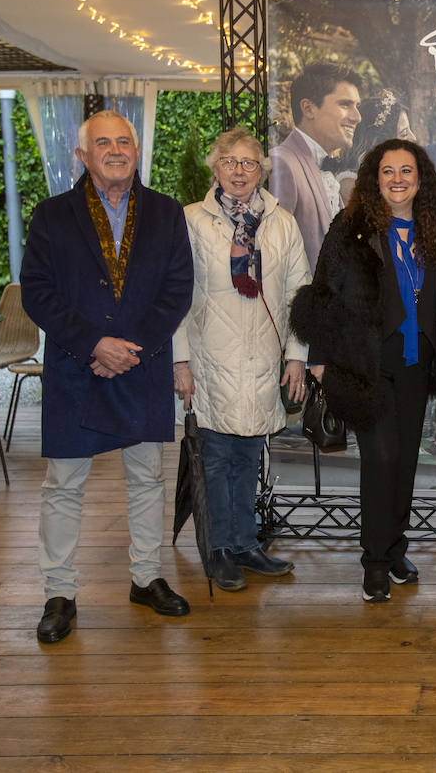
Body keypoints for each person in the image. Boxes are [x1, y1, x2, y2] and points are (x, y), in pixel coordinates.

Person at [21, 109, 194, 644]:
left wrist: (129, 349)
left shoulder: (167, 214)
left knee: (148, 478)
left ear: (137, 151)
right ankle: (60, 591)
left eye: (124, 141)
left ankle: (146, 578)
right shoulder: (51, 216)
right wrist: (94, 344)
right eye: (103, 143)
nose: (115, 150)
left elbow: (177, 290)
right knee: (64, 485)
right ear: (83, 155)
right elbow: (37, 292)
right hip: (77, 366)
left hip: (140, 366)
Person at [293, 139, 436, 602]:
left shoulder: (435, 228)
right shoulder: (350, 227)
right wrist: (319, 360)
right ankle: (373, 561)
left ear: (420, 179)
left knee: (406, 459)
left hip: (417, 361)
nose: (397, 179)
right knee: (381, 458)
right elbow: (324, 292)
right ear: (374, 178)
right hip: (367, 362)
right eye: (387, 171)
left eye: (406, 171)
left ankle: (394, 549)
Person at [171, 127, 311, 593]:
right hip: (210, 358)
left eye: (248, 163)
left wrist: (297, 356)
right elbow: (176, 297)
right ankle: (218, 551)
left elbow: (298, 295)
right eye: (229, 161)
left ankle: (246, 544)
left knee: (249, 456)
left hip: (262, 360)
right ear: (215, 167)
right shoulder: (190, 221)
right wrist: (180, 361)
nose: (239, 171)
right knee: (214, 459)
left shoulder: (281, 222)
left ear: (261, 171)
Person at [270, 62, 363, 260]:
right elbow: (274, 258)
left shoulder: (324, 163)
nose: (357, 117)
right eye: (345, 104)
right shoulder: (282, 163)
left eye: (357, 106)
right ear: (308, 108)